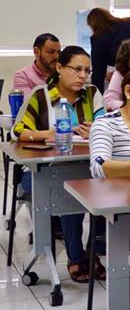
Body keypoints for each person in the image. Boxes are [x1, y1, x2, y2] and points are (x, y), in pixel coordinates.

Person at [14, 46, 105, 282]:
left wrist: (96, 130)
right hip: (40, 171)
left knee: (107, 189)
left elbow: (107, 125)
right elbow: (19, 131)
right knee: (69, 188)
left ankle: (94, 250)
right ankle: (77, 257)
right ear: (59, 68)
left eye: (87, 70)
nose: (83, 76)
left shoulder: (93, 93)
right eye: (76, 69)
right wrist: (48, 134)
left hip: (85, 166)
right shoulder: (41, 95)